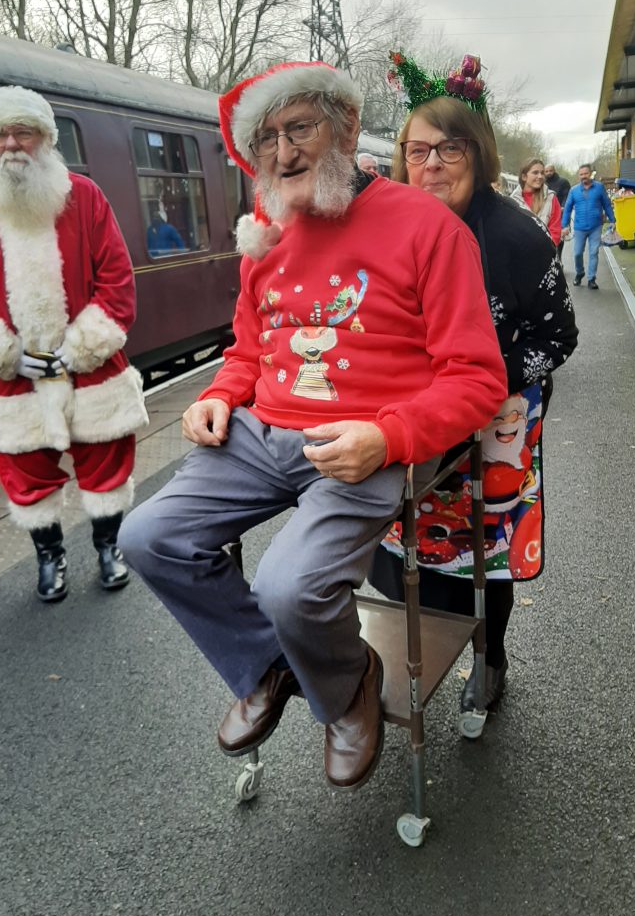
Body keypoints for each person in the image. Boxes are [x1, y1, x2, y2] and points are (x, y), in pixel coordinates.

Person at [118, 61, 508, 791]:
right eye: (266, 139)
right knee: (147, 537)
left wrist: (387, 439)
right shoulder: (268, 233)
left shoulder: (429, 226)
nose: (284, 152)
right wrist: (220, 393)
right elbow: (246, 346)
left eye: (299, 127)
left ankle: (347, 684)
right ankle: (267, 663)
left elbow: (478, 378)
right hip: (260, 431)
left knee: (289, 587)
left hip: (363, 441)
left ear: (349, 127)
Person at [373, 51, 578, 717]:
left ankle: (489, 661)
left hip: (493, 422)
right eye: (417, 150)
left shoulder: (519, 239)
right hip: (411, 420)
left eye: (449, 150)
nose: (429, 165)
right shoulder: (386, 228)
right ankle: (417, 653)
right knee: (406, 552)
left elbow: (558, 339)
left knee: (481, 561)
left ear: (480, 155)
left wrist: (489, 380)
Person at [0, 86, 148, 603]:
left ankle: (108, 546)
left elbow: (117, 280)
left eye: (23, 131)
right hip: (12, 376)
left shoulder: (86, 196)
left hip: (89, 367)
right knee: (24, 473)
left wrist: (80, 350)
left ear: (46, 139)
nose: (11, 144)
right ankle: (49, 555)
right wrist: (6, 357)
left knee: (106, 462)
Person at [561, 163, 616, 289]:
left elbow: (607, 204)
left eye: (586, 173)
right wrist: (565, 225)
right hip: (579, 228)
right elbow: (568, 209)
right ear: (578, 175)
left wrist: (612, 220)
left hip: (595, 227)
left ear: (590, 173)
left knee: (593, 252)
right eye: (581, 174)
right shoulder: (574, 190)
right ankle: (580, 273)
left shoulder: (599, 188)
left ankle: (592, 279)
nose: (583, 176)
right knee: (577, 253)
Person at [510, 158, 562, 255]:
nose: (540, 176)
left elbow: (555, 231)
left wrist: (545, 251)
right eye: (535, 172)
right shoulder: (512, 200)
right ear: (524, 176)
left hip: (543, 256)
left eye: (542, 173)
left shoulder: (551, 198)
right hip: (519, 256)